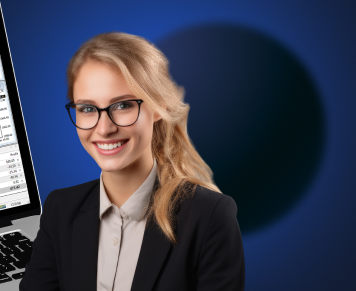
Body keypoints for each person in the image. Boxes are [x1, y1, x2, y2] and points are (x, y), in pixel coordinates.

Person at [19, 32, 245, 291]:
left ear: (158, 106)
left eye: (123, 105)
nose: (104, 129)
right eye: (88, 109)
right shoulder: (60, 210)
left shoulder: (210, 217)